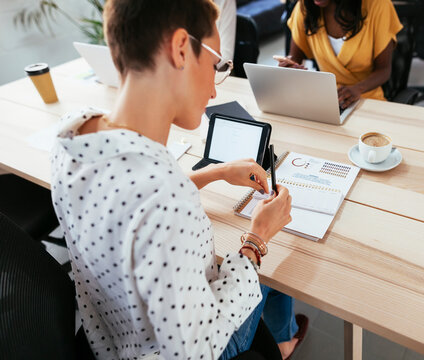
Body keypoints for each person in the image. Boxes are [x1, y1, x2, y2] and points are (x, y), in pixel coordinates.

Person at [49, 0, 308, 359]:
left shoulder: (71, 134)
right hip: (194, 346)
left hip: (109, 339)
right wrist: (256, 239)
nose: (215, 90)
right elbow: (197, 351)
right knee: (275, 272)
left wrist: (213, 172)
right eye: (217, 65)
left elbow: (134, 200)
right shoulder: (168, 203)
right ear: (181, 48)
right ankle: (282, 342)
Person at [280, 0, 403, 106]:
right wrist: (289, 64)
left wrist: (357, 89)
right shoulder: (305, 7)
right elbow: (294, 57)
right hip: (327, 101)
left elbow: (384, 70)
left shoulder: (378, 5)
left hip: (368, 98)